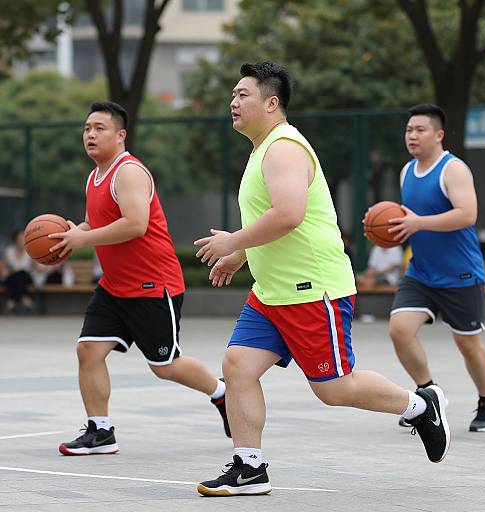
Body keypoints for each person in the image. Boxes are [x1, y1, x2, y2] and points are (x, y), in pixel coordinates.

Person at [193, 62, 449, 497]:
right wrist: (240, 253)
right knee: (237, 365)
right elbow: (274, 219)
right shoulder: (262, 149)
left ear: (272, 103)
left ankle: (420, 406)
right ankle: (249, 466)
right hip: (272, 292)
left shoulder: (284, 148)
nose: (233, 103)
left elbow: (289, 215)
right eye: (233, 96)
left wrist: (234, 239)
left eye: (243, 95)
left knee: (333, 389)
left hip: (312, 289)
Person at [49, 101, 230, 456]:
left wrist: (84, 239)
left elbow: (135, 224)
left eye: (99, 128)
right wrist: (74, 232)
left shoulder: (129, 172)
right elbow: (95, 223)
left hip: (152, 284)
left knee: (165, 365)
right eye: (87, 128)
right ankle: (100, 432)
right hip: (115, 287)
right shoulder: (94, 176)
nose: (90, 134)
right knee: (88, 350)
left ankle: (221, 393)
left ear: (120, 135)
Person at [387, 103, 485, 432]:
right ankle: (430, 394)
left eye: (420, 130)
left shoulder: (454, 169)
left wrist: (417, 223)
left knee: (467, 343)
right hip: (421, 272)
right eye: (409, 130)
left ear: (438, 135)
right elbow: (409, 219)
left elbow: (467, 214)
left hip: (460, 273)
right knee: (399, 330)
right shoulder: (406, 171)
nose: (412, 135)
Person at [0, 229, 34, 314]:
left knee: (20, 274)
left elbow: (36, 267)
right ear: (15, 241)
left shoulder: (30, 252)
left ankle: (11, 302)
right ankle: (25, 300)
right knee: (16, 276)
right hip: (12, 278)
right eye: (20, 240)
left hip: (26, 278)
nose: (22, 242)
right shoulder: (9, 252)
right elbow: (3, 267)